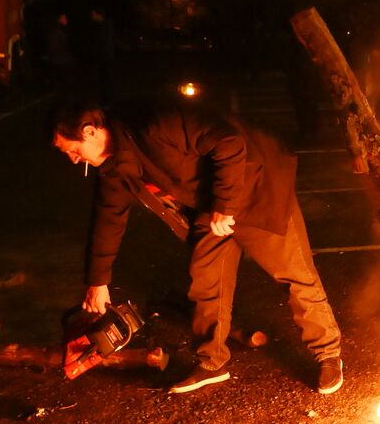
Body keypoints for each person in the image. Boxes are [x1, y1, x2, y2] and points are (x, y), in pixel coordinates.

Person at [49, 96, 345, 394]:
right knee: (207, 280)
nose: (74, 159)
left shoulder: (153, 123)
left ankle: (328, 353)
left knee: (293, 273)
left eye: (73, 150)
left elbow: (229, 142)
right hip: (210, 207)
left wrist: (226, 205)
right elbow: (108, 218)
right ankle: (212, 362)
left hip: (255, 188)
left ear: (90, 131)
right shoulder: (113, 168)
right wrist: (97, 281)